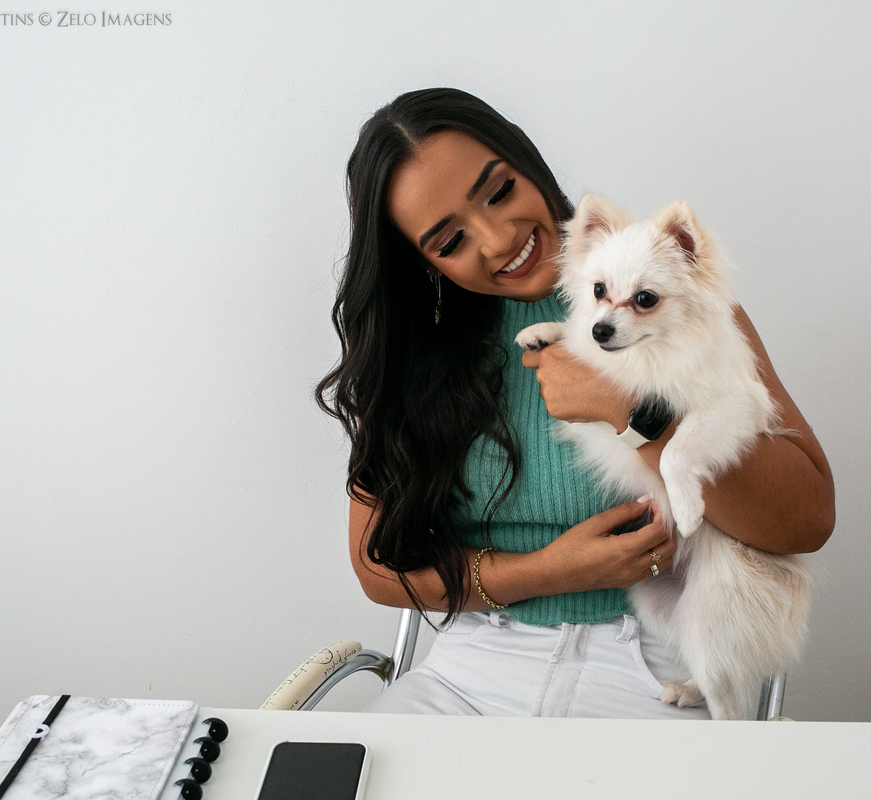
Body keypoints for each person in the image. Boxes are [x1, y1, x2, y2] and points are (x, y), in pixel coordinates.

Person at [315, 88, 834, 718]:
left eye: (499, 191)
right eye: (449, 241)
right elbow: (378, 570)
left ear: (523, 157)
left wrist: (630, 410)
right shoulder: (414, 357)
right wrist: (547, 572)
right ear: (424, 264)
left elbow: (807, 517)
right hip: (473, 667)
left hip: (656, 659)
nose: (498, 238)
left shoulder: (673, 305)